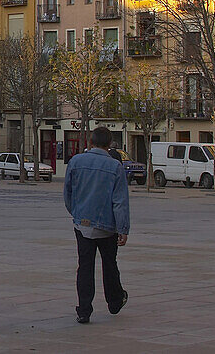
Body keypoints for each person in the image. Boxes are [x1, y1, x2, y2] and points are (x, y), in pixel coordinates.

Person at [64, 125, 130, 324]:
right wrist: (123, 228)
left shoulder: (75, 162)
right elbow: (119, 201)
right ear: (110, 145)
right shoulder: (115, 166)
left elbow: (68, 193)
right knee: (110, 264)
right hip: (107, 225)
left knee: (85, 266)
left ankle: (84, 310)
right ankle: (114, 301)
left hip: (82, 224)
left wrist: (76, 213)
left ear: (90, 142)